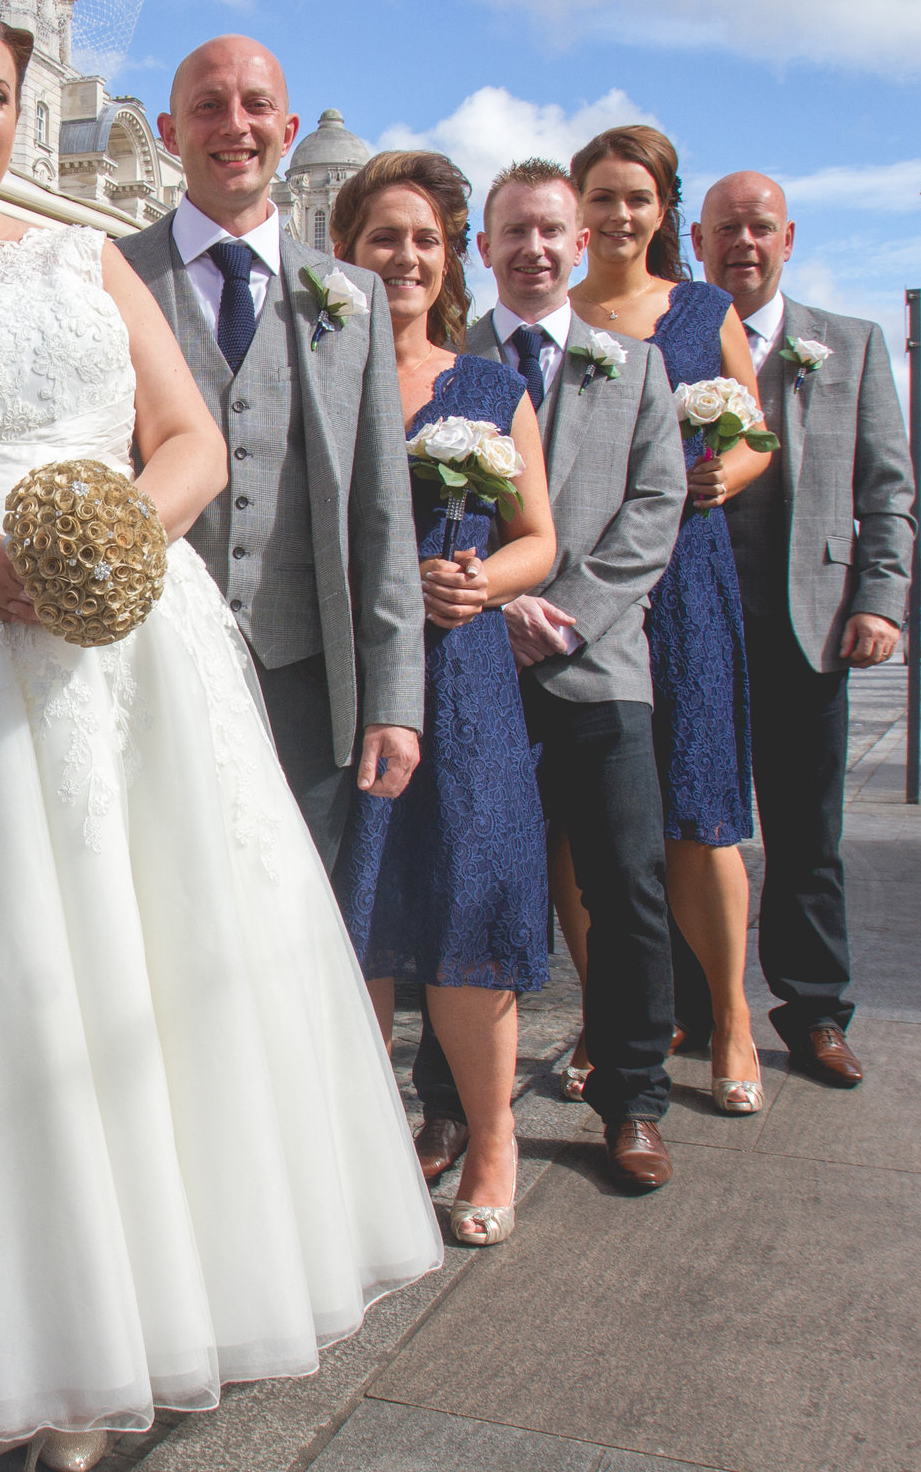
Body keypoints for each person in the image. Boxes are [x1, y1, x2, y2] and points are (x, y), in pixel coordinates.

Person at [0, 0, 442, 1472]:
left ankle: (116, 1344)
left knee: (134, 978)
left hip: (115, 663)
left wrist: (106, 549)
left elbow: (182, 443)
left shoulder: (86, 263)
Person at [415, 158, 686, 1190]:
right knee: (465, 886)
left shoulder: (640, 369)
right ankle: (449, 1108)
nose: (532, 249)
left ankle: (632, 1100)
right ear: (481, 249)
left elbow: (653, 512)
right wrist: (499, 601)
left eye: (550, 232)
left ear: (581, 247)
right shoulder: (446, 365)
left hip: (599, 665)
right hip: (475, 668)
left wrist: (564, 616)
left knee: (627, 888)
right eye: (511, 232)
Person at [118, 35, 426, 865]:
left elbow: (383, 512)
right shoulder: (109, 274)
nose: (235, 126)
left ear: (286, 130)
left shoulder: (351, 296)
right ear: (167, 130)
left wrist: (395, 698)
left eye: (255, 107)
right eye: (209, 106)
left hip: (306, 670)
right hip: (150, 663)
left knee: (301, 922)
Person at [328, 151, 555, 1246]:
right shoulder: (325, 375)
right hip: (359, 672)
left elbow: (538, 542)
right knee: (360, 913)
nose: (405, 257)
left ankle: (492, 1140)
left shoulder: (489, 388)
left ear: (450, 257)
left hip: (464, 678)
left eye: (424, 239)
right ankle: (366, 1157)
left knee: (468, 902)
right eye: (383, 238)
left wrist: (475, 580)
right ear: (347, 254)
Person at [561, 127, 772, 1116]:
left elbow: (756, 431)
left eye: (635, 198)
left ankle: (729, 1019)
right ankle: (610, 1028)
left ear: (661, 210)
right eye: (600, 197)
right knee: (584, 824)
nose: (617, 216)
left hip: (685, 575)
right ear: (576, 206)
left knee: (698, 813)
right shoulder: (552, 318)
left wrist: (724, 472)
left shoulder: (702, 310)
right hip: (583, 581)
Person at [695, 171, 915, 1088]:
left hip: (811, 630)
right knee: (696, 830)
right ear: (699, 245)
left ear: (789, 237)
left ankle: (815, 1008)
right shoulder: (676, 340)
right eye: (725, 231)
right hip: (699, 625)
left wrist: (880, 599)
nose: (743, 244)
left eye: (759, 228)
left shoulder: (850, 345)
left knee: (805, 833)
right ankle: (693, 1008)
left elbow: (889, 491)